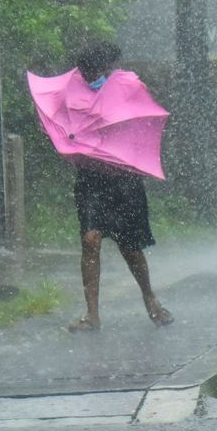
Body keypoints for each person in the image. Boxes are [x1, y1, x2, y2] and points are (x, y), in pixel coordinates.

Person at [66, 41, 173, 333]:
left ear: (107, 68)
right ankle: (92, 315)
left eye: (94, 71)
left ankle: (150, 297)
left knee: (130, 247)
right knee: (90, 240)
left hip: (123, 180)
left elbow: (140, 125)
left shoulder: (128, 89)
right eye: (85, 73)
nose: (90, 77)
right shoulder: (74, 94)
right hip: (90, 180)